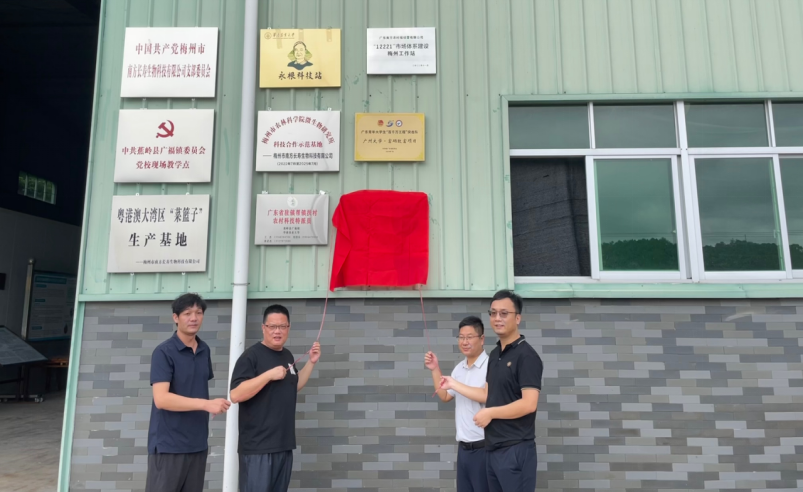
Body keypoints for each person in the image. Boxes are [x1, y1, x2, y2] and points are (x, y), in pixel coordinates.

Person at [440, 290, 543, 492]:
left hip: (516, 448)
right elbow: (487, 394)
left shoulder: (526, 356)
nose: (497, 318)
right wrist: (449, 380)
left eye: (504, 313)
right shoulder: (495, 355)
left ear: (518, 318)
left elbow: (529, 404)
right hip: (492, 449)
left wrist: (490, 412)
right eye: (493, 313)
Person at [230, 304, 321, 492]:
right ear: (263, 328)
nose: (277, 331)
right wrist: (268, 375)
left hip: (283, 444)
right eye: (272, 326)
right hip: (258, 448)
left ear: (288, 328)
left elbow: (293, 385)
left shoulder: (287, 355)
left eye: (282, 326)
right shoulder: (251, 356)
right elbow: (236, 394)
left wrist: (311, 363)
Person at [146, 293, 231, 492]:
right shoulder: (164, 352)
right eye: (187, 313)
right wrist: (206, 404)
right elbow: (161, 399)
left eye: (198, 313)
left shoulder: (204, 350)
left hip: (197, 444)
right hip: (169, 445)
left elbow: (194, 387)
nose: (194, 318)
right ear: (175, 318)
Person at [425, 316, 489, 492]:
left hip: (484, 447)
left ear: (482, 339)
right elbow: (445, 395)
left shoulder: (491, 366)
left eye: (469, 337)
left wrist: (454, 384)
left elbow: (487, 396)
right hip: (464, 449)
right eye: (461, 337)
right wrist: (435, 369)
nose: (464, 342)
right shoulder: (459, 368)